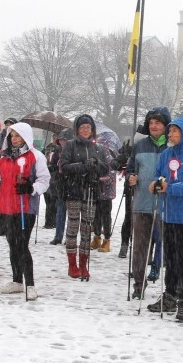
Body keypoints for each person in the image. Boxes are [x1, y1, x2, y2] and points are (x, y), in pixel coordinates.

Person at [146, 117, 183, 322]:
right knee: (170, 257)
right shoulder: (165, 154)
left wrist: (171, 188)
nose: (170, 135)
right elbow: (158, 175)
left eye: (174, 132)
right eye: (170, 131)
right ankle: (170, 295)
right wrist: (155, 184)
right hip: (167, 213)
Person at [0, 122, 50, 300]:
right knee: (12, 244)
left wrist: (31, 188)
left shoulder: (36, 156)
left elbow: (45, 180)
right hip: (7, 207)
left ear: (25, 137)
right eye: (12, 136)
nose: (14, 139)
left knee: (22, 244)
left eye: (17, 135)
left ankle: (30, 284)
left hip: (25, 208)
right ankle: (17, 280)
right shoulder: (4, 157)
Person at [127, 107, 170, 297]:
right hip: (141, 204)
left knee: (167, 246)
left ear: (166, 125)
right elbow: (130, 169)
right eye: (151, 123)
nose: (153, 126)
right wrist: (131, 178)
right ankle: (138, 284)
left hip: (165, 207)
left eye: (158, 123)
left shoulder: (172, 146)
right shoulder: (140, 145)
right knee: (140, 247)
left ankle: (170, 288)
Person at [59, 115, 108, 280]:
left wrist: (96, 164)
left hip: (90, 192)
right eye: (82, 127)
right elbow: (64, 167)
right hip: (74, 191)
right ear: (77, 130)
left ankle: (84, 264)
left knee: (87, 229)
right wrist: (82, 166)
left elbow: (105, 170)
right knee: (73, 228)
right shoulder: (71, 145)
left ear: (92, 130)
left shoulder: (98, 148)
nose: (86, 130)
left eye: (88, 127)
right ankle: (72, 264)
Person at [92, 128, 120, 253]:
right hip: (96, 190)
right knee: (96, 215)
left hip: (107, 192)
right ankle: (97, 237)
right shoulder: (97, 153)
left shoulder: (111, 155)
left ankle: (107, 240)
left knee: (105, 216)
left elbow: (112, 173)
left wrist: (100, 179)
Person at [46, 129, 73, 245]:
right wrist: (52, 166)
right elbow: (52, 167)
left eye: (65, 140)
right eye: (61, 140)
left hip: (72, 184)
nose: (63, 142)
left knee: (72, 215)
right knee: (60, 211)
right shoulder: (57, 151)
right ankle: (58, 236)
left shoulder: (74, 150)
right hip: (60, 185)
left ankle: (69, 237)